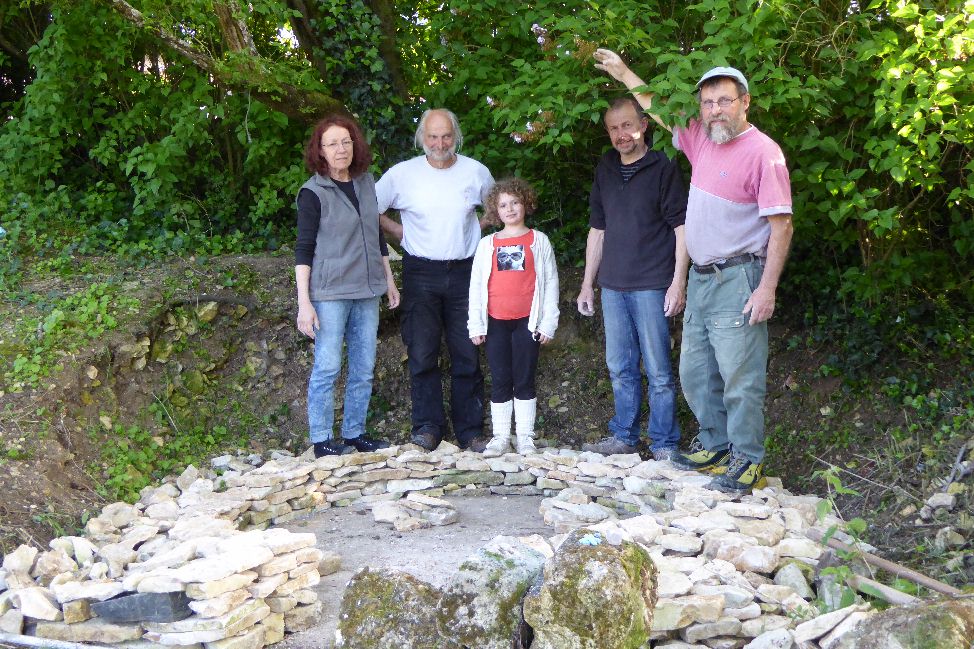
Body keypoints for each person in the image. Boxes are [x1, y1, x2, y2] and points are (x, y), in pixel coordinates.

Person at [594, 49, 794, 494]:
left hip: (739, 277)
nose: (715, 109)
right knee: (696, 373)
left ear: (745, 102)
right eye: (707, 102)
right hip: (702, 278)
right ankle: (716, 444)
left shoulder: (765, 153)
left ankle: (747, 459)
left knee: (740, 376)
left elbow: (782, 226)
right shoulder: (702, 139)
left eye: (724, 100)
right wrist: (623, 71)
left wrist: (767, 288)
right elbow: (656, 108)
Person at [577, 96, 689, 461]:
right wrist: (586, 284)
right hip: (612, 285)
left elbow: (681, 228)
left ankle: (664, 444)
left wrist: (678, 281)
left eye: (627, 125)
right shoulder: (605, 168)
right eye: (614, 128)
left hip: (653, 283)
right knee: (620, 367)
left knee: (658, 369)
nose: (621, 134)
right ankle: (624, 436)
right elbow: (598, 229)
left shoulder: (663, 167)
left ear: (644, 125)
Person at [376, 109, 495, 452]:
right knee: (423, 351)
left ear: (455, 136)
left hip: (465, 271)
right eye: (432, 137)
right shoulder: (402, 175)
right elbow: (372, 207)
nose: (439, 143)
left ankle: (470, 431)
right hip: (421, 271)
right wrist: (398, 230)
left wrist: (477, 228)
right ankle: (427, 428)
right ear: (421, 138)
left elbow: (498, 206)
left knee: (467, 352)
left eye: (445, 136)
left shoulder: (475, 171)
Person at [295, 114, 400, 458]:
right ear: (320, 152)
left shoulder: (367, 183)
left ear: (355, 145)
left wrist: (389, 281)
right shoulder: (312, 193)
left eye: (346, 142)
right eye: (332, 144)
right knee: (327, 365)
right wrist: (304, 303)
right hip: (330, 293)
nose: (340, 149)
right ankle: (322, 439)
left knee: (364, 365)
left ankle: (354, 432)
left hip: (368, 289)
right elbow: (303, 249)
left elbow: (376, 237)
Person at [468, 178, 560, 457]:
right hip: (495, 321)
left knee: (524, 378)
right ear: (495, 211)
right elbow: (475, 286)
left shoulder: (538, 241)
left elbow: (551, 284)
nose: (510, 209)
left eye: (515, 203)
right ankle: (500, 437)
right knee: (499, 378)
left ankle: (525, 437)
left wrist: (547, 323)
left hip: (527, 321)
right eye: (503, 205)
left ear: (526, 204)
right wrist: (476, 323)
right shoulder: (487, 245)